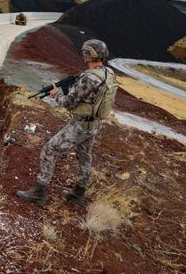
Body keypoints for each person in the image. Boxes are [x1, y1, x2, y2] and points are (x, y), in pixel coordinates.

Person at [16, 39, 117, 206]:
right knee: (85, 156)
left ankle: (39, 192)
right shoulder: (108, 73)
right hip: (95, 124)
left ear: (87, 55)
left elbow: (68, 103)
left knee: (50, 149)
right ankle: (78, 193)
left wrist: (55, 94)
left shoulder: (89, 78)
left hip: (80, 126)